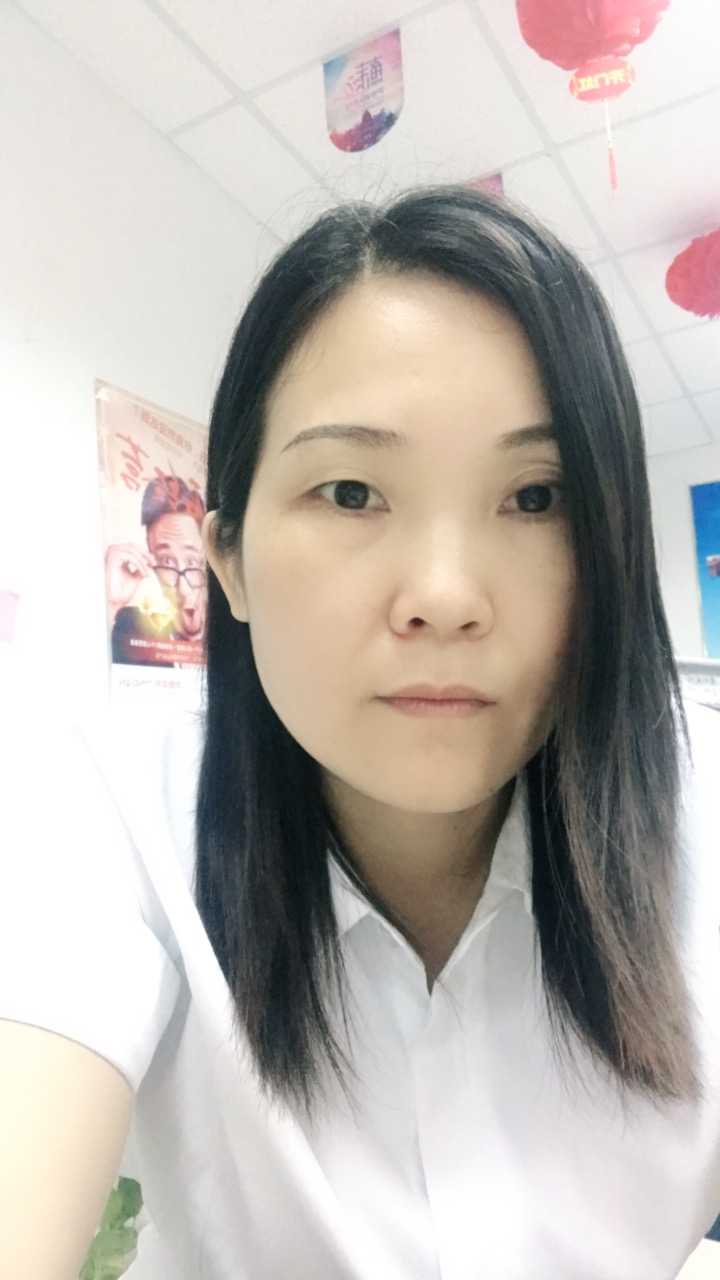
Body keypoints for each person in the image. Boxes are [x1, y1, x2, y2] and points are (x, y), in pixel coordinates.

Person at [1, 186, 720, 1280]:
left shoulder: (701, 815)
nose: (446, 597)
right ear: (227, 559)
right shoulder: (109, 812)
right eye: (350, 491)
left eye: (537, 498)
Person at [105, 474, 207, 665]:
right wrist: (112, 605)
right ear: (150, 555)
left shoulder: (231, 627)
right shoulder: (129, 626)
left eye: (192, 561)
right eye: (167, 561)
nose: (184, 589)